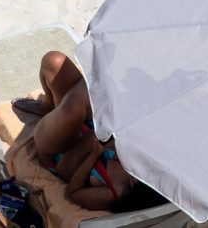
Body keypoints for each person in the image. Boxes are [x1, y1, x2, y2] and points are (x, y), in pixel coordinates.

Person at [11, 50, 169, 217]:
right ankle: (49, 106)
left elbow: (71, 187)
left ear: (130, 183)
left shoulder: (111, 193)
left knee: (76, 101)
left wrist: (95, 152)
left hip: (61, 152)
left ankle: (100, 67)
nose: (120, 159)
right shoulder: (139, 160)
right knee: (54, 62)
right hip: (88, 126)